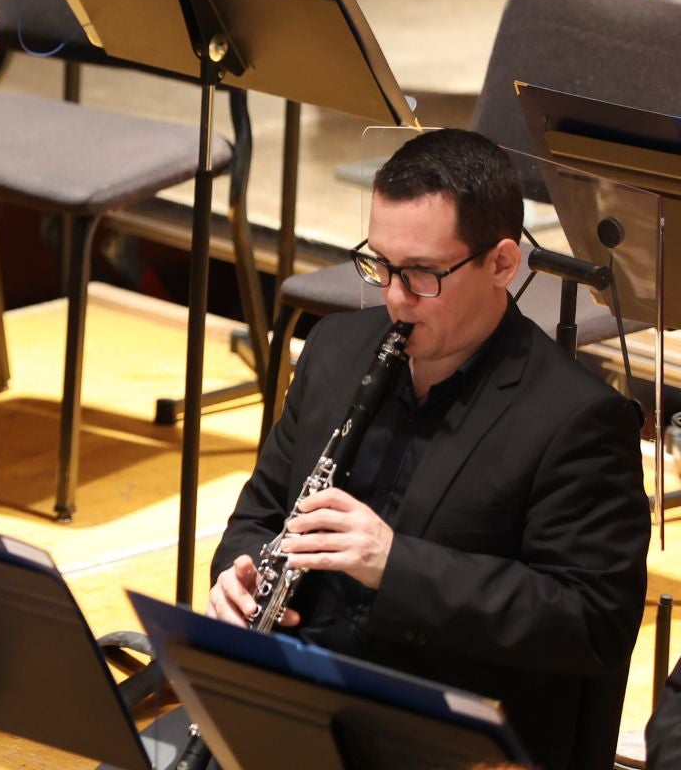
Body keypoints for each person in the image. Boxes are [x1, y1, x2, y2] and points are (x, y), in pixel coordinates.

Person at [209, 128, 646, 770]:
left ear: (502, 263)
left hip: (442, 738)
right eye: (379, 264)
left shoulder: (577, 419)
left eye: (420, 274)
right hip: (296, 701)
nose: (392, 296)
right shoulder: (335, 352)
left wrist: (395, 564)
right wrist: (237, 576)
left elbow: (592, 620)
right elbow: (261, 514)